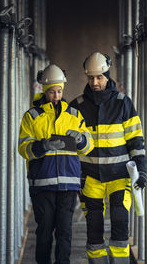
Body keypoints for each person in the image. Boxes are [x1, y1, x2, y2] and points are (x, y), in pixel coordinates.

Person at [69, 52, 147, 264]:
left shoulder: (123, 103)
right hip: (90, 179)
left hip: (119, 177)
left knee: (120, 226)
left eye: (100, 77)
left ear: (107, 75)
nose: (95, 82)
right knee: (93, 230)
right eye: (91, 78)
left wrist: (142, 170)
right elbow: (69, 149)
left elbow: (136, 141)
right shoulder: (77, 106)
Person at [18, 64, 94, 264]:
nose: (56, 96)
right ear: (44, 90)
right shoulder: (32, 117)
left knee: (65, 232)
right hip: (43, 185)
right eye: (52, 91)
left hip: (68, 185)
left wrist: (81, 139)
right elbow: (23, 148)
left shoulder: (74, 115)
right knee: (43, 233)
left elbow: (88, 146)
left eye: (59, 91)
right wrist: (43, 145)